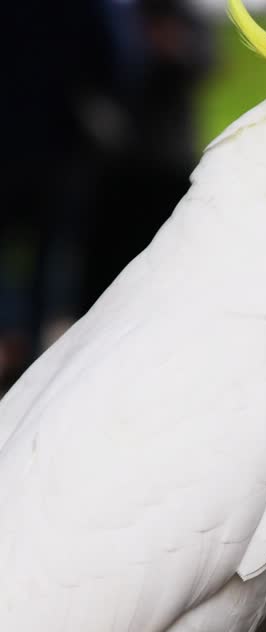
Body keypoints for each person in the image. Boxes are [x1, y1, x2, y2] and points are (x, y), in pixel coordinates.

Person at [0, 1, 141, 384]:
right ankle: (30, 357)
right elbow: (118, 60)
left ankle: (13, 338)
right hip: (61, 146)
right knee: (54, 259)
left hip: (19, 139)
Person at [83, 0, 215, 312]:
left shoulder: (187, 19)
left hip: (170, 164)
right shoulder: (117, 16)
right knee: (106, 274)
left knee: (164, 265)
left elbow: (206, 64)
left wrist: (171, 49)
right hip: (118, 165)